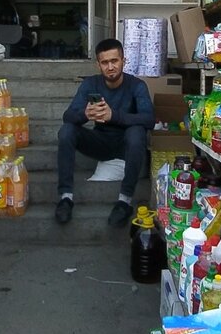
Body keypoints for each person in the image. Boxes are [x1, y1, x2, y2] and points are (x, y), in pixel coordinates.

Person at [57, 38, 154, 227]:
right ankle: (65, 197)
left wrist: (114, 116)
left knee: (136, 132)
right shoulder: (90, 84)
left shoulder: (137, 85)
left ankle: (124, 201)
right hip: (99, 143)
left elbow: (149, 119)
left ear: (123, 61)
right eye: (105, 62)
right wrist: (85, 114)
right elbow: (68, 116)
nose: (110, 67)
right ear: (98, 64)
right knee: (67, 131)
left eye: (114, 61)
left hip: (126, 146)